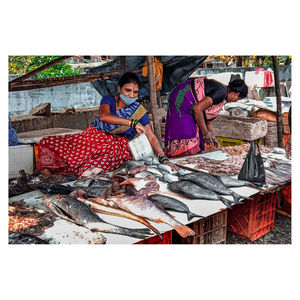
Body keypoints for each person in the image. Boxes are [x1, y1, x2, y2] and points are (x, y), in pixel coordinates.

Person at [38, 72, 176, 177]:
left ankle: (66, 175)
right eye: (127, 90)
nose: (131, 95)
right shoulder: (109, 99)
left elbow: (151, 136)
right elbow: (104, 117)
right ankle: (50, 173)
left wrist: (163, 158)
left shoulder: (139, 111)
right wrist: (132, 123)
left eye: (135, 92)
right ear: (119, 89)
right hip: (92, 138)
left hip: (115, 146)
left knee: (91, 170)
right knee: (47, 142)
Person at [164, 77, 248, 157]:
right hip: (182, 100)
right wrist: (205, 133)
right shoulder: (221, 92)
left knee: (196, 131)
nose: (235, 101)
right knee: (188, 133)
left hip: (187, 101)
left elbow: (208, 120)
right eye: (238, 99)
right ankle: (182, 159)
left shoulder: (223, 92)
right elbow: (197, 109)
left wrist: (213, 138)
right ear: (236, 94)